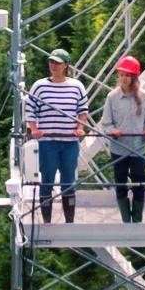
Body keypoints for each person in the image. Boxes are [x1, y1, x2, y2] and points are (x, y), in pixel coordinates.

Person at [26, 49, 87, 223]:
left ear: (66, 65)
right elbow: (30, 110)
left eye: (57, 63)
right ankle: (47, 221)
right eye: (51, 62)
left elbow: (82, 110)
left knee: (68, 180)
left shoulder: (77, 86)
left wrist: (80, 127)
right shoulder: (39, 86)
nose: (53, 66)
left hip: (69, 142)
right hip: (48, 142)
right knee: (47, 178)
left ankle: (69, 220)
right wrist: (34, 129)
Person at [101, 55, 145, 222]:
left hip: (139, 148)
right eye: (121, 75)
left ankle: (137, 218)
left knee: (140, 183)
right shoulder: (112, 97)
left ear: (134, 77)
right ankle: (126, 218)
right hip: (119, 149)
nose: (124, 78)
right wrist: (112, 131)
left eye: (128, 75)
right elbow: (106, 123)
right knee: (120, 183)